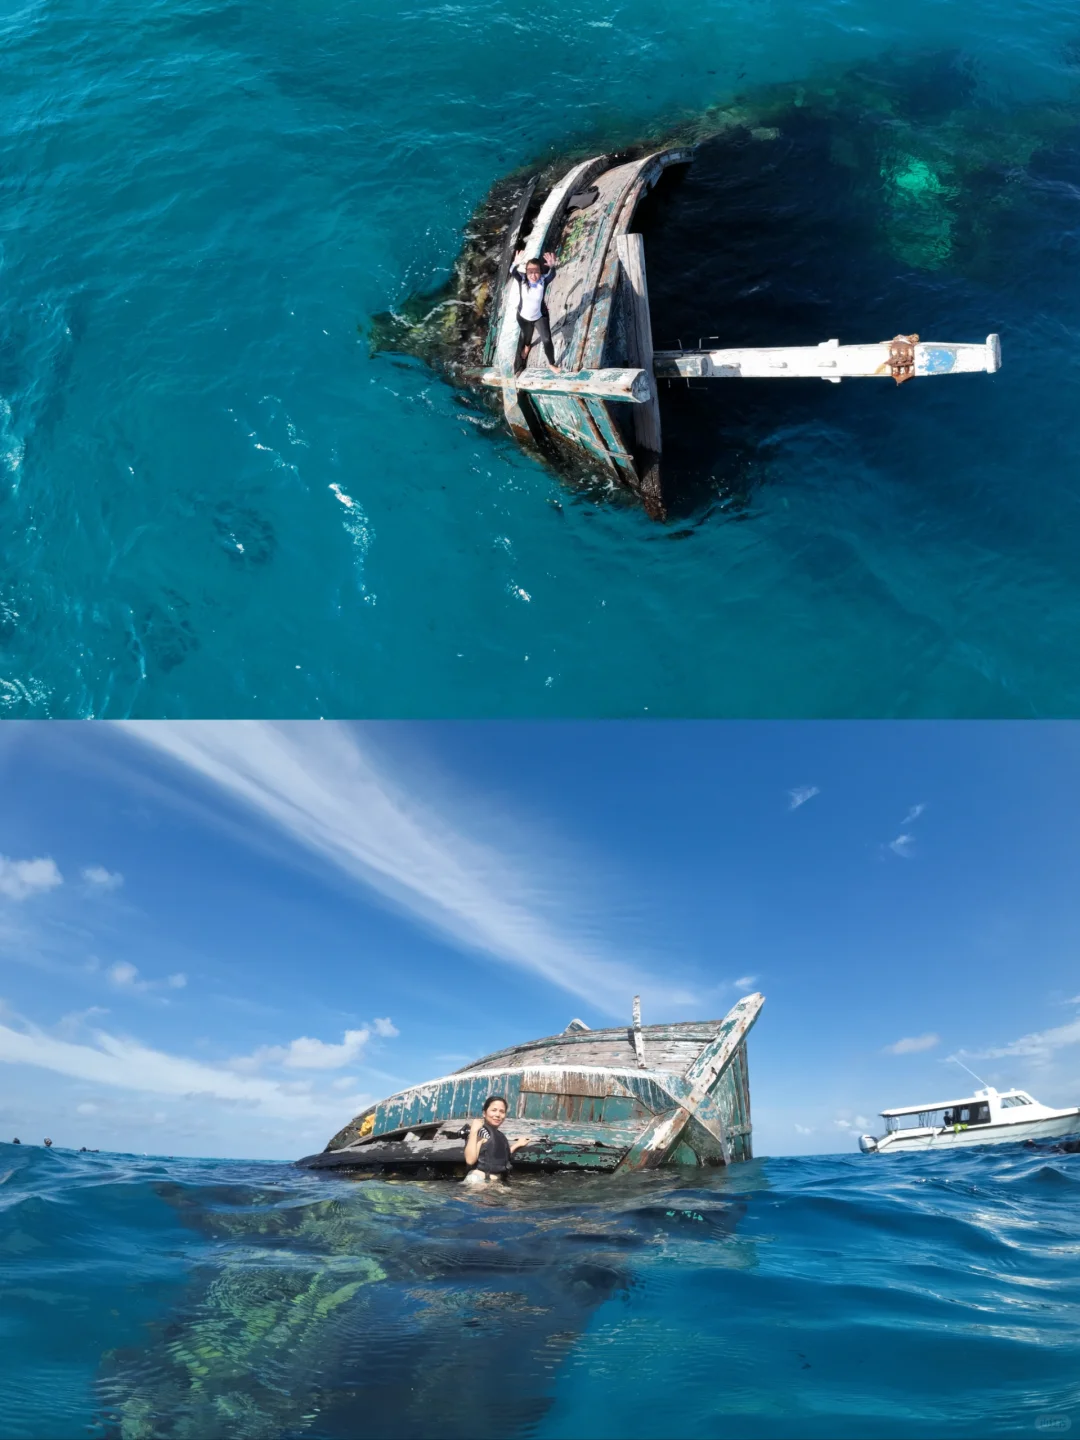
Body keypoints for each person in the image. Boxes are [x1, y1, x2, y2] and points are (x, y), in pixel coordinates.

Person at [463, 1095, 529, 1186]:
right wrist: (474, 1131)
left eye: (502, 1111)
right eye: (494, 1110)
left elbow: (498, 1156)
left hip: (492, 1182)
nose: (498, 1115)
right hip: (478, 1181)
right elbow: (470, 1160)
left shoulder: (499, 1135)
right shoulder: (481, 1131)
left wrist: (518, 1144)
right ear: (484, 1113)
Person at [510, 251, 558, 371]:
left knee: (546, 339)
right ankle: (527, 346)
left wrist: (552, 266)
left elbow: (552, 274)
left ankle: (551, 363)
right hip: (523, 316)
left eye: (536, 272)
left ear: (540, 271)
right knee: (527, 335)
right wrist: (515, 263)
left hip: (540, 316)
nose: (533, 275)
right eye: (530, 272)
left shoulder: (543, 280)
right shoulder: (521, 279)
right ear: (526, 272)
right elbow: (512, 271)